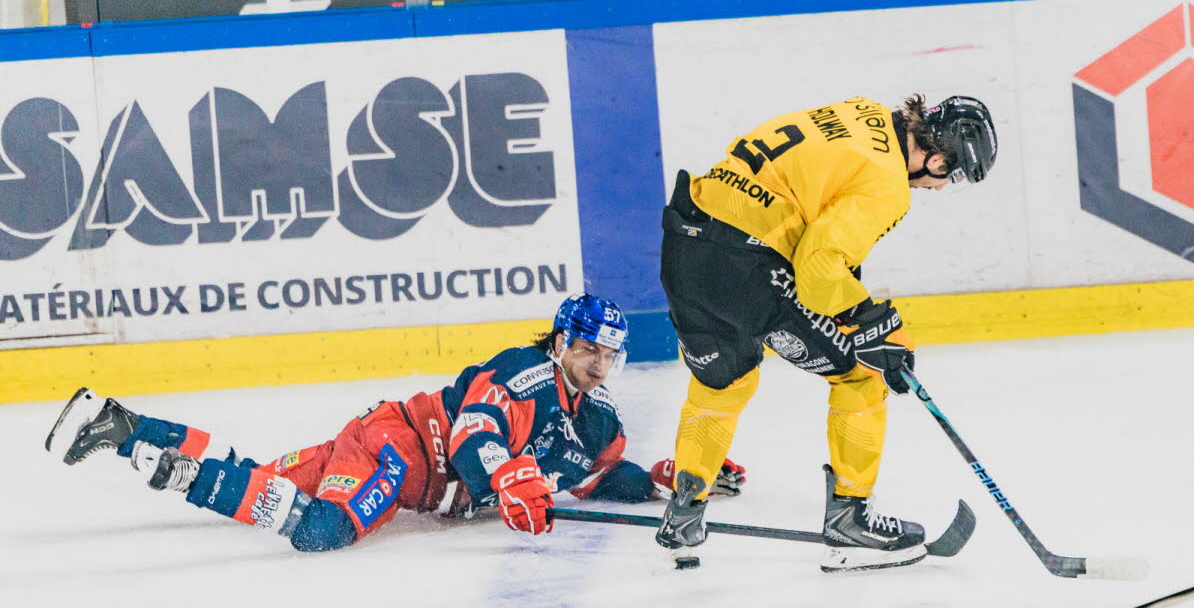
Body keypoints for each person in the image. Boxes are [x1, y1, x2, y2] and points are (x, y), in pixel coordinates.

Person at [46, 293, 746, 552]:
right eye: (589, 347)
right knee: (321, 530)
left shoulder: (593, 420)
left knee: (257, 480)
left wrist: (668, 482)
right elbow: (475, 437)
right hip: (399, 451)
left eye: (610, 354)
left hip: (389, 444)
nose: (599, 363)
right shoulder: (522, 373)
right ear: (562, 341)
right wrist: (505, 480)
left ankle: (119, 426)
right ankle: (168, 471)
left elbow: (599, 474)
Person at [654, 95, 997, 571]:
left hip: (685, 247)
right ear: (937, 159)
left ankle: (684, 516)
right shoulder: (889, 184)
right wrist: (872, 326)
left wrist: (854, 314)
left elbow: (814, 216)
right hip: (745, 264)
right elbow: (817, 270)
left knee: (723, 382)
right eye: (950, 177)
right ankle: (850, 524)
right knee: (864, 373)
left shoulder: (864, 111)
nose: (940, 188)